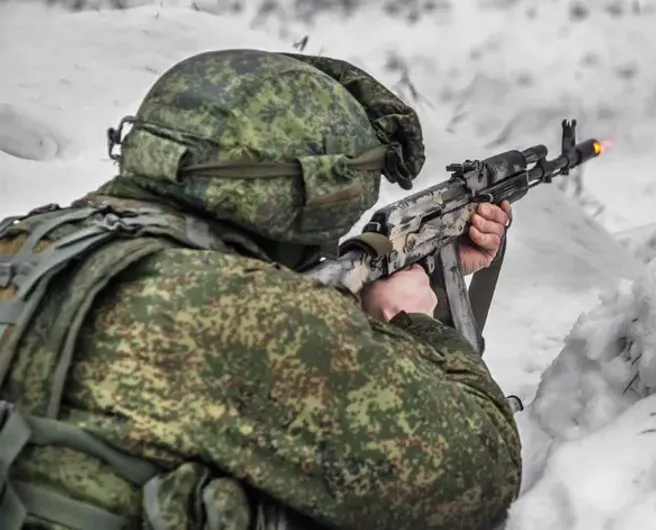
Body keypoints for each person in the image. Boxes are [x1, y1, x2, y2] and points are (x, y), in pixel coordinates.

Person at [0, 49, 522, 530]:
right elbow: (482, 470)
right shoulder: (248, 314)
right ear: (312, 191)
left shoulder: (28, 244)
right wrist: (414, 322)